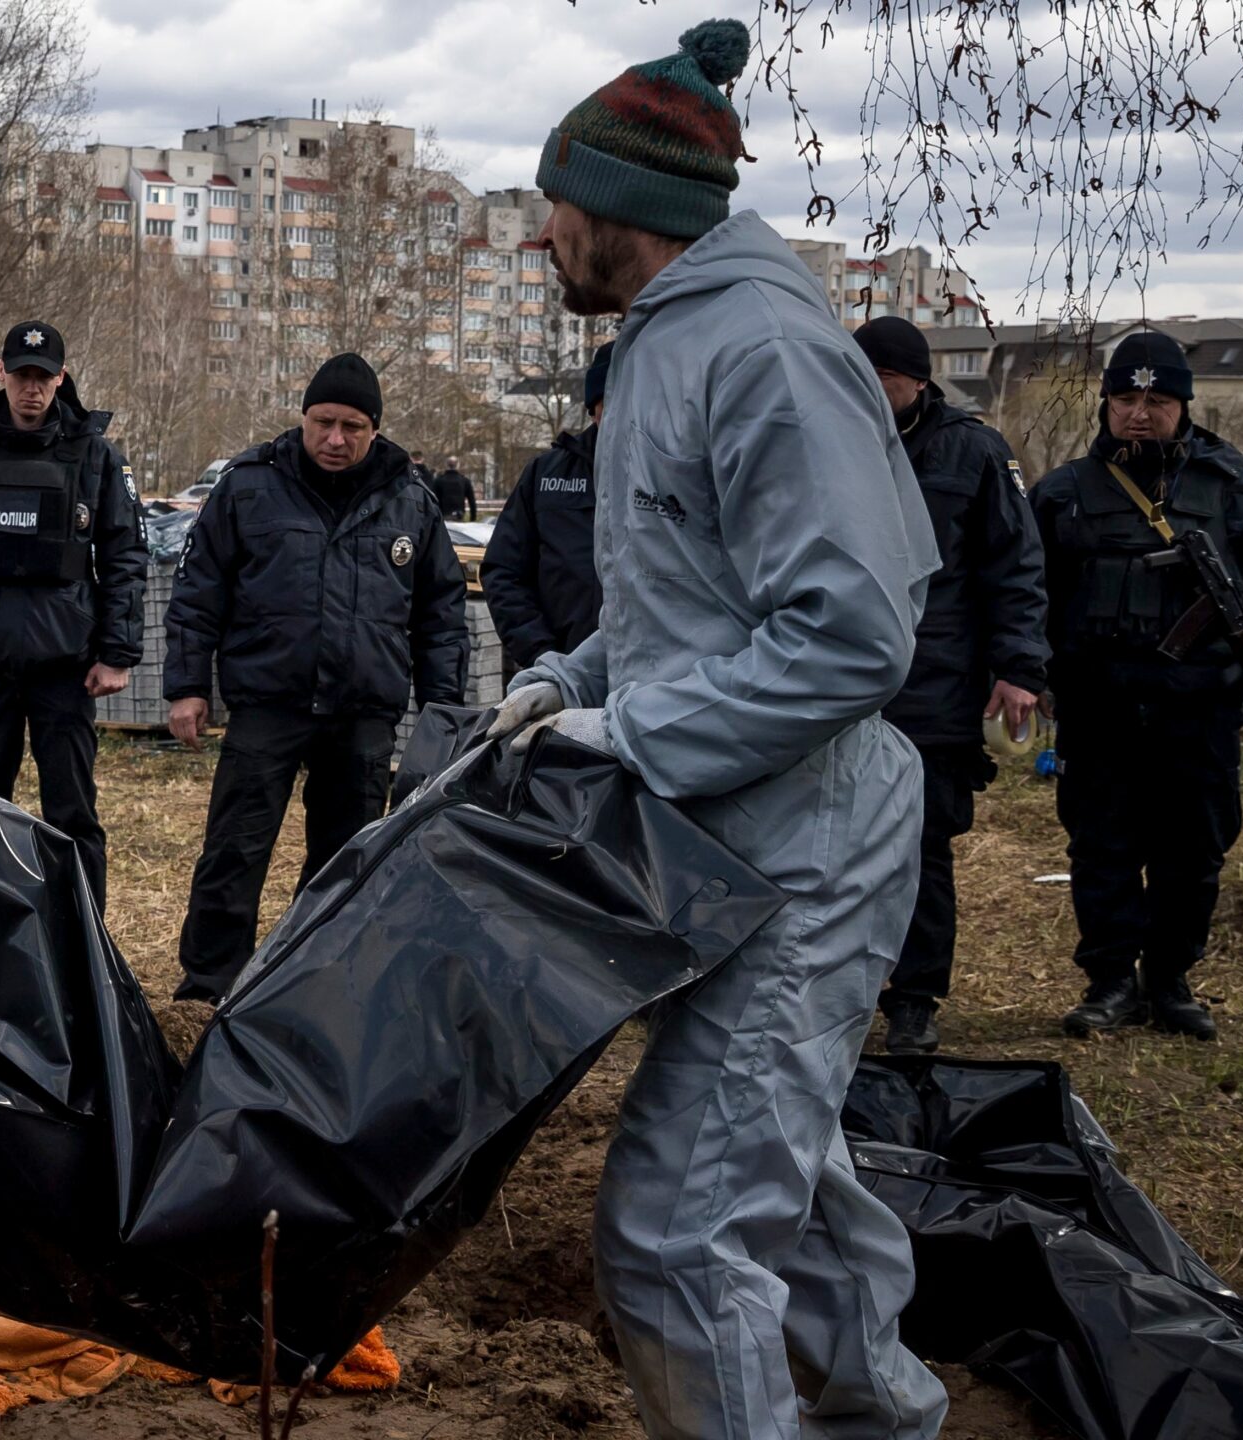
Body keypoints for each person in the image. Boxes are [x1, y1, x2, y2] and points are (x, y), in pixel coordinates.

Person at [491, 20, 949, 1437]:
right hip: (733, 835)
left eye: (551, 205)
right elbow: (693, 603)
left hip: (806, 853)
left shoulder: (761, 350)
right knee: (784, 1165)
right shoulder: (668, 346)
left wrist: (631, 740)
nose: (540, 236)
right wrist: (571, 679)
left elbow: (853, 637)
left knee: (679, 1237)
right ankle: (880, 1414)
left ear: (621, 210)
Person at [165, 353, 467, 1002]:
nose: (335, 439)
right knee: (234, 852)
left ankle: (316, 986)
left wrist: (445, 713)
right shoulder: (249, 487)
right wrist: (187, 685)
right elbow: (198, 591)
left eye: (352, 426)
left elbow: (441, 613)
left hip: (362, 714)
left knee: (346, 861)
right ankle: (207, 987)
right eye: (323, 422)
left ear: (375, 430)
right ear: (303, 418)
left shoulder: (410, 502)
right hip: (268, 703)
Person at [1030, 329, 1243, 1043]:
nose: (1139, 412)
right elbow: (1028, 593)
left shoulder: (1232, 487)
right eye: (1126, 398)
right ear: (1105, 403)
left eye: (1157, 400)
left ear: (1183, 405)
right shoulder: (1063, 493)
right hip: (1100, 708)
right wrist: (1030, 677)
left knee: (1194, 850)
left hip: (1201, 706)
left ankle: (1171, 981)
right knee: (1102, 849)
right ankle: (1109, 983)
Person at [850, 316, 1050, 1054]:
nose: (869, 395)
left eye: (885, 383)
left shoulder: (973, 452)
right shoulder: (826, 443)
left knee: (919, 845)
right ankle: (839, 982)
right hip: (837, 686)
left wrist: (1020, 669)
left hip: (934, 686)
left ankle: (915, 1000)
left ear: (918, 384)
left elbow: (1015, 567)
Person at [0, 321, 147, 903]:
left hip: (64, 665)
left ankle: (84, 940)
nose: (31, 388)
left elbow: (125, 553)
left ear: (61, 379)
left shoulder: (95, 457)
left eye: (43, 377)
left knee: (72, 810)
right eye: (22, 375)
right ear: (1, 373)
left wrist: (117, 653)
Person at [482, 344, 610, 673]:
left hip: (648, 685)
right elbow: (503, 572)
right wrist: (542, 657)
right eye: (610, 402)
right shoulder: (546, 475)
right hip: (555, 674)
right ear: (593, 407)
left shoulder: (674, 474)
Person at [430, 454, 477, 520]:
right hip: (459, 515)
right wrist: (473, 518)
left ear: (446, 465)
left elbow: (433, 500)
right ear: (458, 465)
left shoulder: (438, 481)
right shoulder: (464, 481)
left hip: (443, 515)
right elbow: (472, 501)